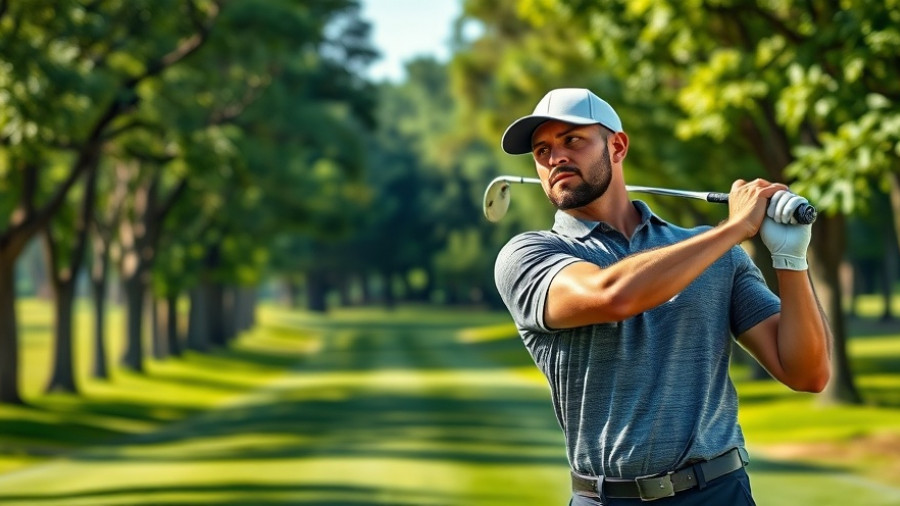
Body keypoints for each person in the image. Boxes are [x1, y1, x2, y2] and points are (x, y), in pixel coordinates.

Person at [493, 88, 832, 505]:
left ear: (617, 146)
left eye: (572, 140)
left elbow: (807, 372)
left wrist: (790, 259)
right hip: (608, 498)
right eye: (542, 150)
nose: (555, 158)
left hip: (720, 493)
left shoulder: (716, 255)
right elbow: (614, 295)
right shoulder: (528, 255)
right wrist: (733, 229)